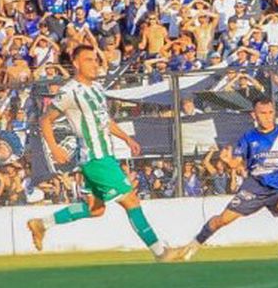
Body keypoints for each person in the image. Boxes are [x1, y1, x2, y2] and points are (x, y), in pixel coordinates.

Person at [25, 45, 175, 260]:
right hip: (96, 158)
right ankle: (161, 253)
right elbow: (45, 120)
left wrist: (126, 138)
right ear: (76, 64)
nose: (94, 64)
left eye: (95, 59)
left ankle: (42, 223)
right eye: (88, 60)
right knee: (130, 200)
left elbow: (105, 121)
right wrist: (54, 148)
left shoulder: (96, 89)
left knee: (96, 209)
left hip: (103, 155)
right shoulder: (69, 92)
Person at [169, 97, 278, 261]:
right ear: (254, 115)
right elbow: (236, 164)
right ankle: (192, 247)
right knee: (222, 220)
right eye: (263, 113)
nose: (268, 116)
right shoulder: (248, 138)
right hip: (255, 188)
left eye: (270, 113)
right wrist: (226, 161)